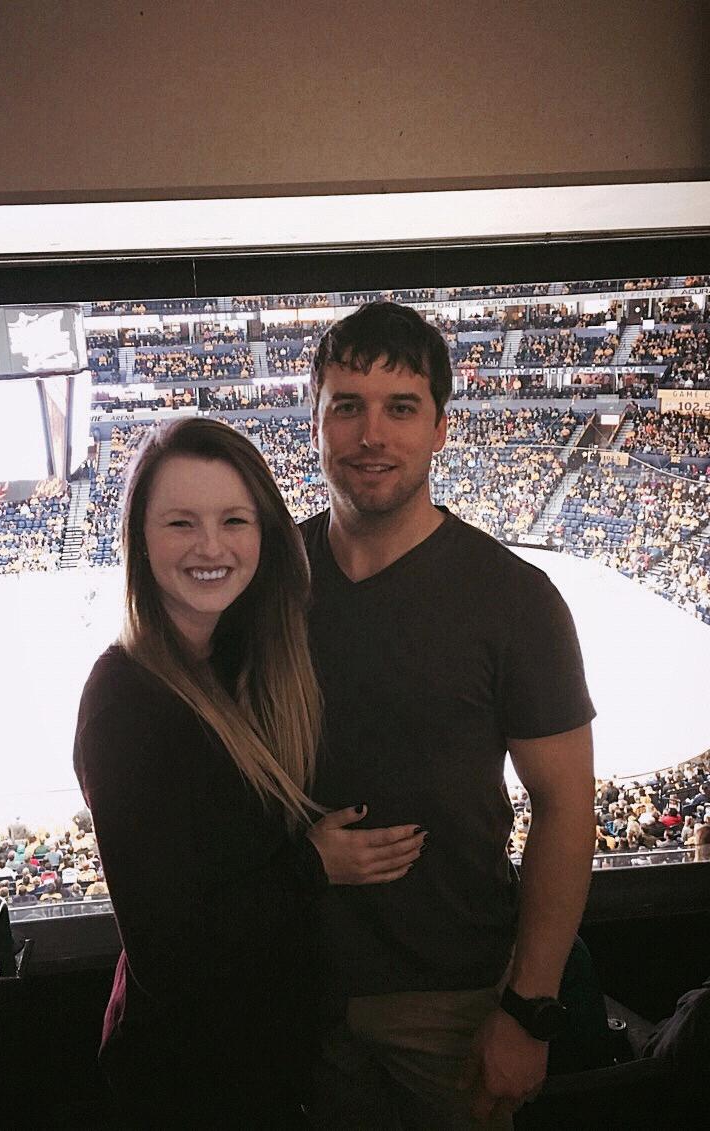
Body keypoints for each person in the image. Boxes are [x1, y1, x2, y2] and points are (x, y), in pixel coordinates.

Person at [73, 417, 422, 1128]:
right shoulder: (126, 701)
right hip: (192, 1080)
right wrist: (314, 865)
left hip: (275, 1057)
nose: (211, 546)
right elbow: (169, 954)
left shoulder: (241, 664)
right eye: (181, 522)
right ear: (140, 538)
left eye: (234, 520)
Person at [300, 302, 597, 1130]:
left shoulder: (515, 600)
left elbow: (567, 806)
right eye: (347, 405)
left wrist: (527, 1009)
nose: (371, 434)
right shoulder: (270, 581)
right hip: (290, 990)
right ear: (314, 420)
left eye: (401, 407)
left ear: (440, 428)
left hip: (449, 1004)